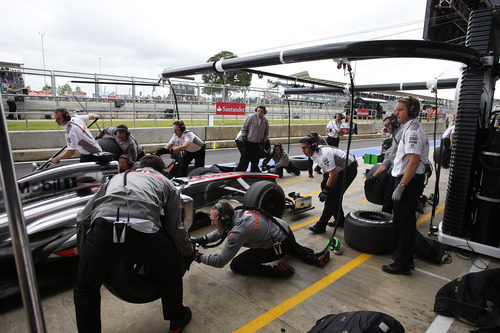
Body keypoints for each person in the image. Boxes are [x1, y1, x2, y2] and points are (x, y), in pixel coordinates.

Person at [74, 155, 194, 333]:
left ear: (138, 167)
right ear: (161, 171)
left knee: (85, 287)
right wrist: (187, 251)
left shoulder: (117, 178)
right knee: (172, 269)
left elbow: (83, 217)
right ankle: (176, 318)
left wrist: (86, 251)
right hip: (143, 229)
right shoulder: (166, 183)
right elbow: (174, 227)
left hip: (104, 226)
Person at [191, 201, 330, 278]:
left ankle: (276, 272)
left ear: (224, 219)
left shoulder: (238, 233)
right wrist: (202, 239)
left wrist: (197, 256)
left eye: (213, 220)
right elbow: (222, 231)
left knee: (237, 265)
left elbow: (220, 261)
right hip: (285, 232)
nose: (211, 223)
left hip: (279, 243)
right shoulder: (239, 212)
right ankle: (312, 257)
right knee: (282, 242)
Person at [382, 96, 429, 275]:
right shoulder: (408, 128)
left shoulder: (413, 131)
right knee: (405, 224)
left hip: (408, 181)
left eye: (400, 109)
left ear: (411, 110)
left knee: (402, 225)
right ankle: (405, 261)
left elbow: (413, 162)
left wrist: (401, 186)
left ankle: (401, 265)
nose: (396, 113)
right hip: (408, 180)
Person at [300, 135, 358, 233]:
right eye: (302, 148)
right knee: (334, 195)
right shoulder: (314, 154)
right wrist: (325, 183)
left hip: (349, 169)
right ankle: (340, 221)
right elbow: (326, 168)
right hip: (338, 170)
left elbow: (334, 174)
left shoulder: (324, 154)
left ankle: (321, 225)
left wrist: (326, 191)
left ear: (313, 146)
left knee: (332, 198)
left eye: (305, 148)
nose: (303, 151)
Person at [366, 114, 401, 214]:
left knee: (390, 200)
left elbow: (385, 166)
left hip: (399, 174)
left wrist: (372, 178)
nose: (385, 128)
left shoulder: (399, 137)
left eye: (387, 125)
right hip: (395, 171)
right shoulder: (395, 136)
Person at [236, 105, 269, 172]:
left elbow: (266, 132)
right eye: (258, 111)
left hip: (257, 143)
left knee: (255, 159)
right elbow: (244, 128)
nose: (259, 112)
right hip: (247, 142)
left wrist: (264, 141)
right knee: (245, 158)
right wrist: (244, 137)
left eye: (261, 111)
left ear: (264, 112)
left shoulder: (265, 121)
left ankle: (254, 171)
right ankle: (241, 171)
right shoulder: (251, 117)